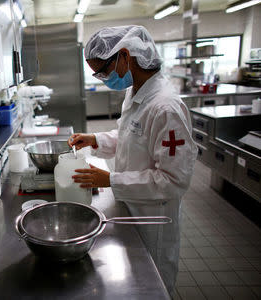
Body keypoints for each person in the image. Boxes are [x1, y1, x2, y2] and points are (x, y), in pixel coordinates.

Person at [69, 25, 197, 293]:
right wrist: (96, 140)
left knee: (152, 285)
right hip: (134, 207)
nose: (103, 78)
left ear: (125, 56)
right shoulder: (136, 91)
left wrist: (110, 180)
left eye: (103, 71)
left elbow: (174, 180)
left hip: (154, 217)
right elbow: (131, 137)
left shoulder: (166, 108)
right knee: (133, 282)